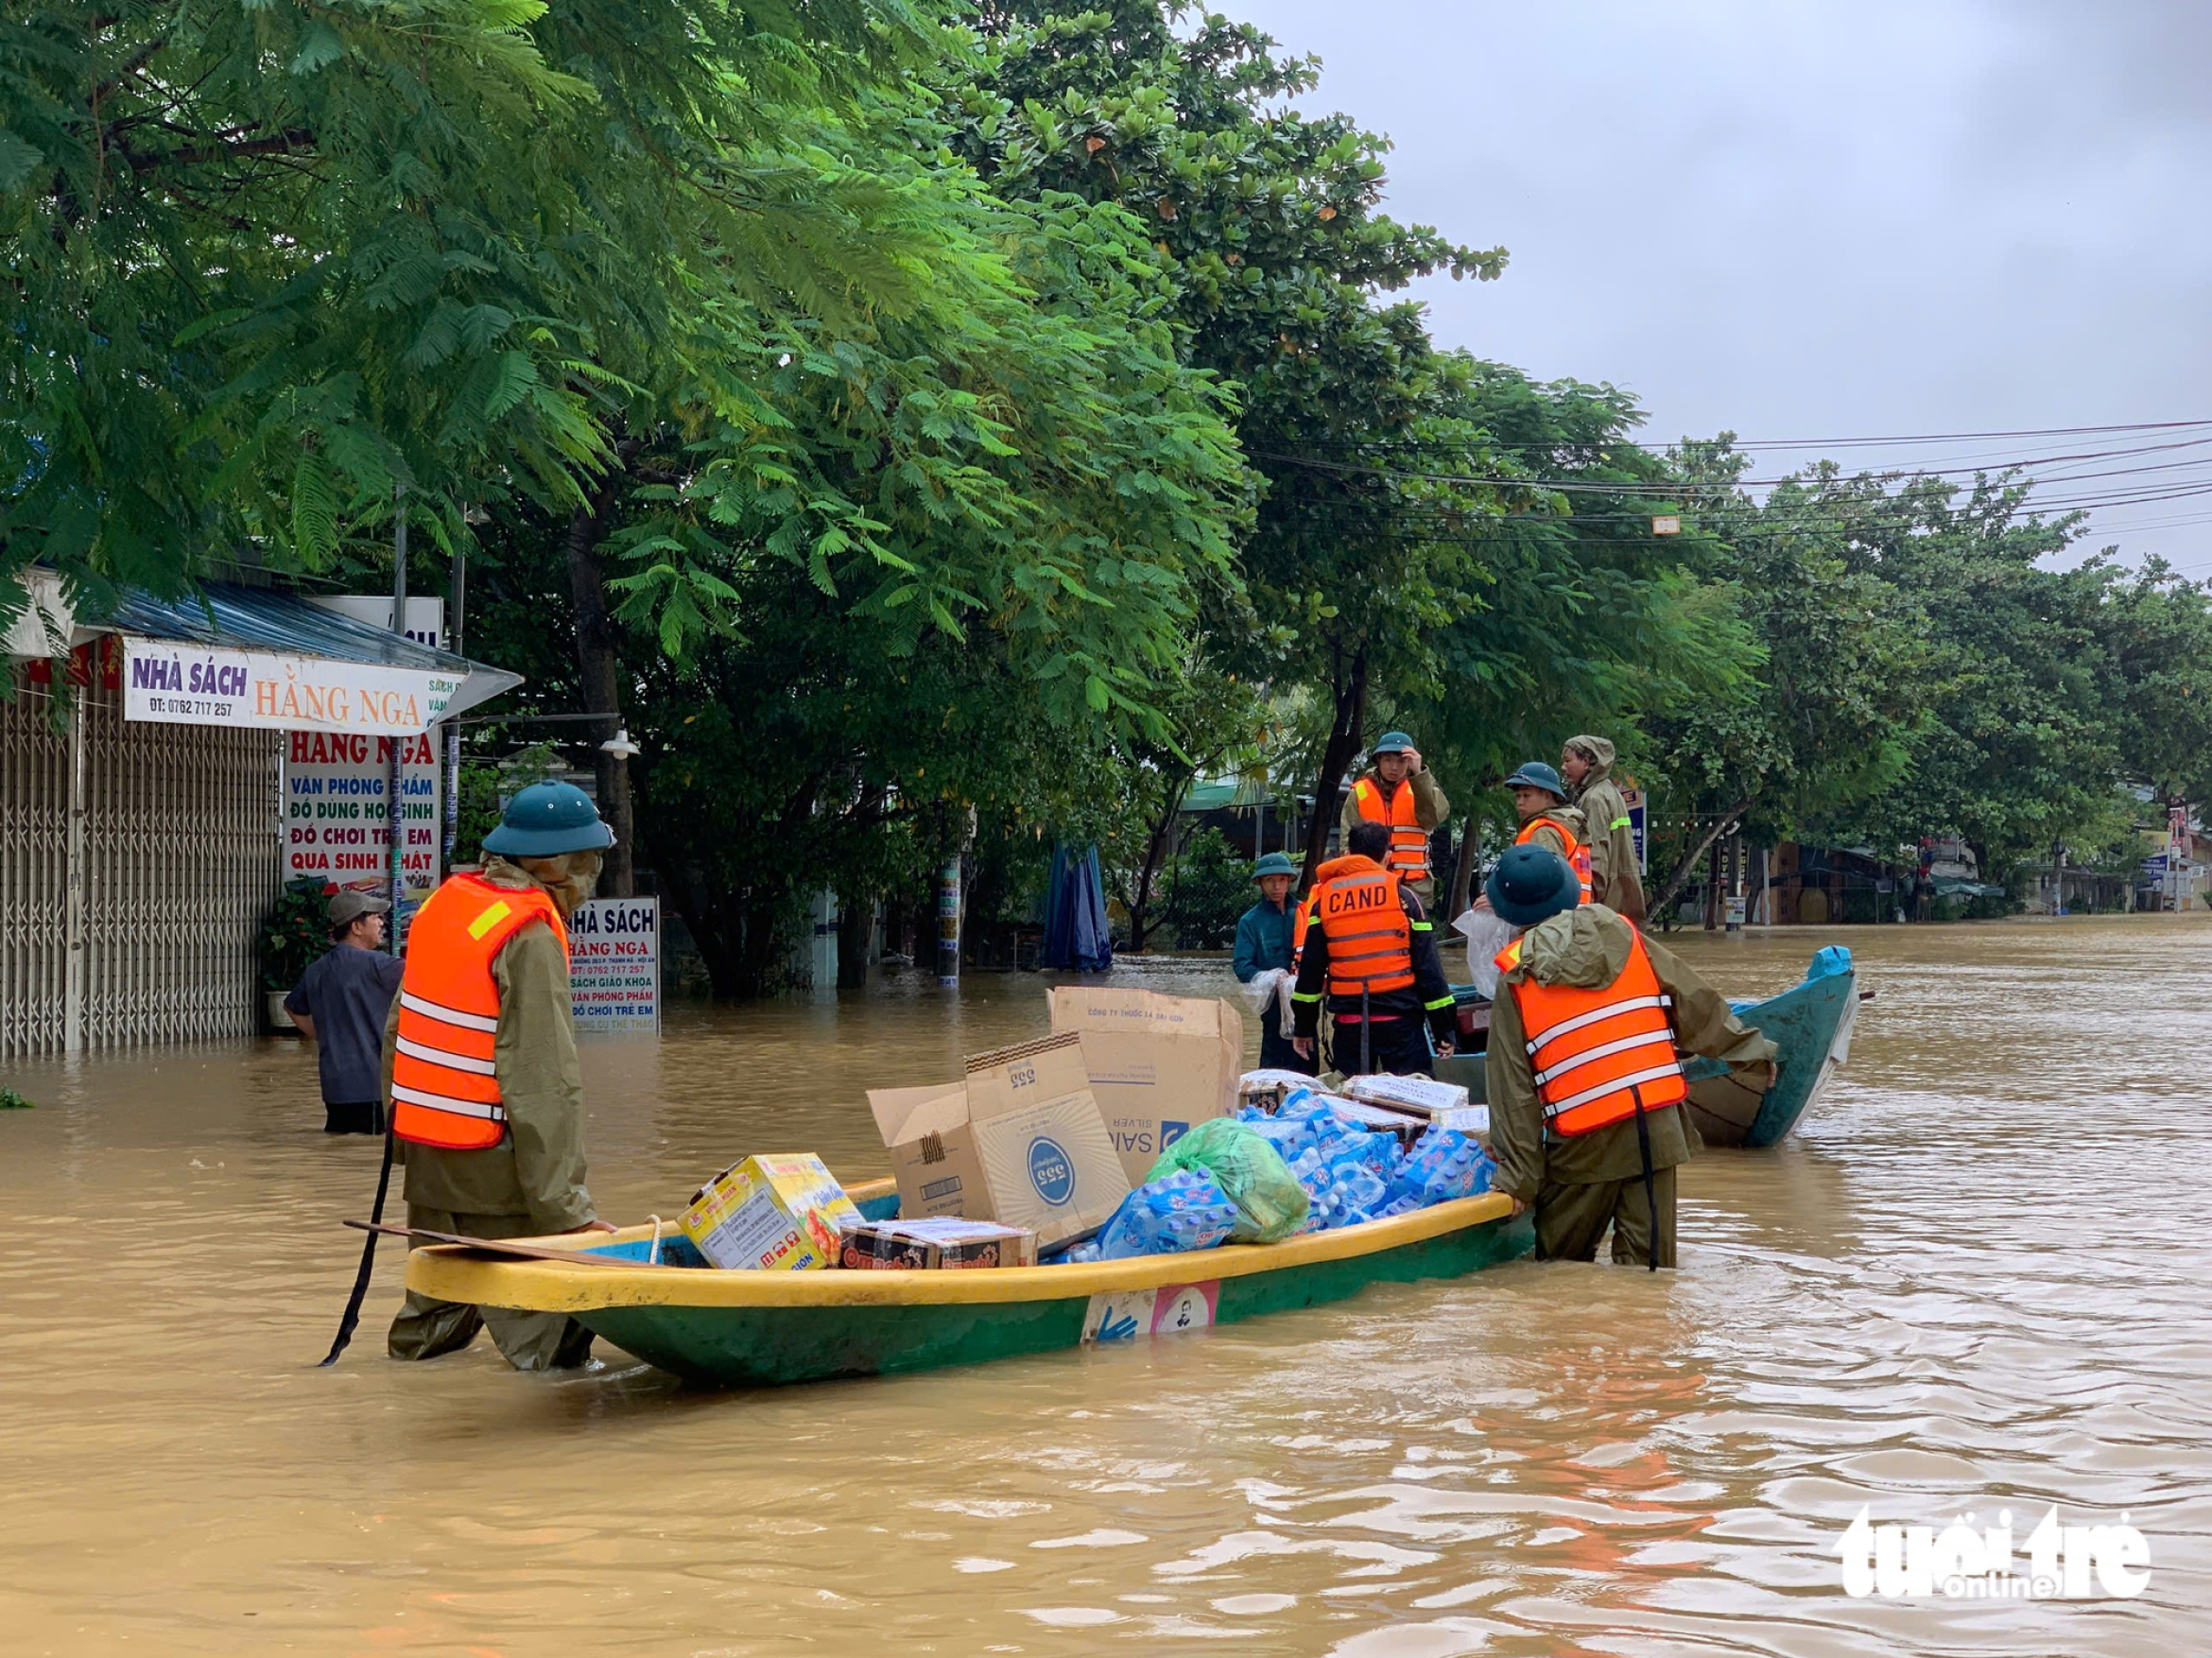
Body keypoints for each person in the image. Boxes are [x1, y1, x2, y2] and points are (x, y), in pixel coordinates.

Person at [384, 781, 617, 1372]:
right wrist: (568, 1213)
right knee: (555, 1352)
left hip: (432, 1167)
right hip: (499, 1176)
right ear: (557, 865)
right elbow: (544, 1084)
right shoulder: (530, 935)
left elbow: (398, 1037)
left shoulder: (445, 906)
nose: (592, 880)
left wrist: (409, 1149)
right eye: (589, 863)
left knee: (429, 1330)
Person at [1482, 843, 1777, 1269]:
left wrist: (1518, 1181)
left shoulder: (1517, 977)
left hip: (1581, 1145)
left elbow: (1513, 1091)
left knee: (1561, 1273)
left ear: (1508, 911)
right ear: (1569, 891)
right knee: (1650, 1276)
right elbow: (1694, 1003)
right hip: (1654, 1130)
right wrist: (1752, 1052)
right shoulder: (1628, 937)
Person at [1291, 820, 1458, 1077]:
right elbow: (1429, 971)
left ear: (1348, 855)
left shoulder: (1323, 903)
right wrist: (1444, 1028)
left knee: (1351, 1104)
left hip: (1349, 1026)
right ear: (1387, 856)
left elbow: (1310, 975)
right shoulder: (1405, 899)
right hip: (1401, 1025)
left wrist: (1303, 1027)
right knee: (1412, 1104)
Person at [285, 890, 405, 1134]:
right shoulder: (380, 965)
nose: (382, 922)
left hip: (336, 1090)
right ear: (357, 927)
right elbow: (430, 978)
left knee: (342, 1150)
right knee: (367, 1159)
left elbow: (291, 1007)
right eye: (375, 917)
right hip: (373, 1088)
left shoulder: (316, 970)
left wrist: (325, 1035)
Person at [1339, 731, 1450, 909]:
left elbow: (1431, 820)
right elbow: (1346, 842)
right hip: (1369, 886)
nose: (1394, 767)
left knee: (1416, 935)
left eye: (1401, 761)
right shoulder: (1359, 792)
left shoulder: (1424, 787)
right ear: (1378, 761)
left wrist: (1419, 774)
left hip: (1414, 887)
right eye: (1388, 760)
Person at [1233, 852, 1314, 1075]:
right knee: (1273, 1070)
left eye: (1281, 880)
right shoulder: (1250, 921)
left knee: (1308, 1067)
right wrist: (1271, 978)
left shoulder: (1304, 913)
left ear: (1289, 881)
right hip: (1272, 1007)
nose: (1276, 886)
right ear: (1260, 883)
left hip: (1306, 1001)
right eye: (1270, 880)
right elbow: (1241, 965)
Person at [1561, 734, 1647, 925]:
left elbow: (1595, 858)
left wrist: (1587, 906)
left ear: (1587, 761)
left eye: (1568, 761)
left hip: (1604, 906)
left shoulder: (1593, 799)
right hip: (1620, 902)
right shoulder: (1609, 791)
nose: (1563, 768)